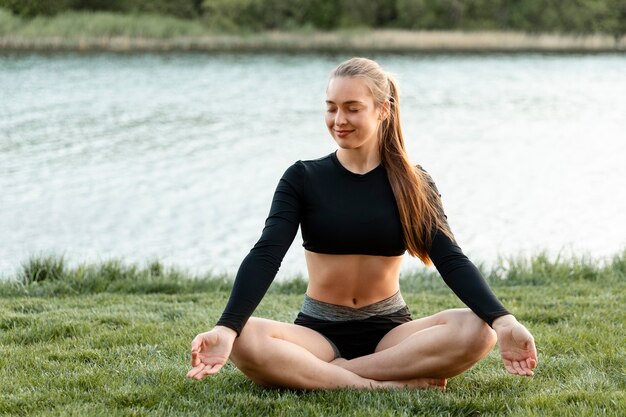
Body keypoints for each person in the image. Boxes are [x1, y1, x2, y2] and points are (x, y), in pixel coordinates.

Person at [186, 57, 537, 390]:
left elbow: (450, 258)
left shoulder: (414, 183)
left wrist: (504, 321)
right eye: (331, 107)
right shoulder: (302, 177)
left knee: (479, 331)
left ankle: (324, 376)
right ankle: (381, 385)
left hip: (390, 334)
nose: (339, 119)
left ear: (383, 110)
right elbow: (267, 254)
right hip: (318, 333)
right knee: (244, 339)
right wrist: (226, 328)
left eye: (352, 108)